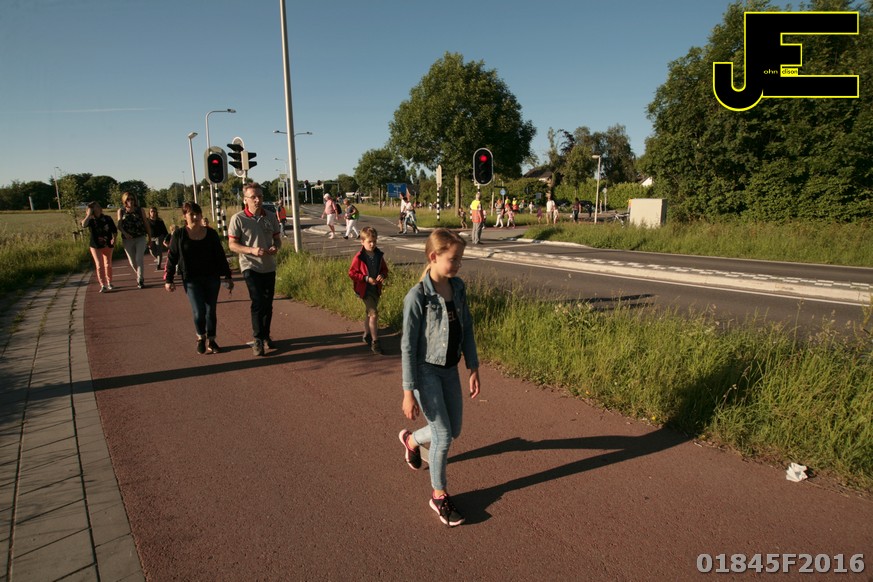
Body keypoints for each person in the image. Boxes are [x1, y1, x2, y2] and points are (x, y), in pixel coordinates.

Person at [398, 228, 481, 527]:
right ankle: (439, 495)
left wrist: (473, 367)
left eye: (460, 259)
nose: (458, 264)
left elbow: (467, 327)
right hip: (426, 371)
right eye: (453, 259)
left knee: (453, 430)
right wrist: (408, 392)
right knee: (443, 435)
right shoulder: (417, 296)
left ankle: (411, 440)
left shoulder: (457, 288)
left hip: (450, 370)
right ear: (434, 257)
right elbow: (408, 346)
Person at [164, 202, 234, 355]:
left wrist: (228, 276)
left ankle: (212, 340)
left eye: (198, 214)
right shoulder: (179, 235)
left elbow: (220, 256)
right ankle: (200, 337)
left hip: (211, 277)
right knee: (199, 311)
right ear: (185, 216)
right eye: (191, 214)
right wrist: (169, 279)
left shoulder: (211, 234)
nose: (195, 217)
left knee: (211, 310)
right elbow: (172, 257)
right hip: (191, 279)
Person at [228, 182, 282, 356]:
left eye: (260, 196)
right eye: (253, 197)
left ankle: (266, 335)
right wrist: (251, 250)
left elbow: (277, 240)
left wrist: (275, 247)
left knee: (268, 303)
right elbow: (232, 245)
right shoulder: (238, 218)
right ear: (245, 200)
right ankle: (257, 339)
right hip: (250, 265)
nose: (257, 200)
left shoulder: (271, 216)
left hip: (268, 266)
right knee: (258, 301)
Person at [348, 227, 389, 355]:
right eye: (369, 241)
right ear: (362, 241)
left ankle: (366, 334)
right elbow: (352, 273)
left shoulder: (378, 255)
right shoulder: (359, 257)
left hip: (376, 289)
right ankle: (375, 342)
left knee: (369, 313)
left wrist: (382, 275)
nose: (372, 244)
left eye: (374, 241)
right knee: (374, 314)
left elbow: (384, 269)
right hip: (365, 290)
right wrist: (366, 278)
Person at [117, 191, 151, 288]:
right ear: (124, 201)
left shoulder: (140, 210)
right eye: (128, 199)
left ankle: (140, 279)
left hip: (140, 237)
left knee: (139, 258)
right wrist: (125, 233)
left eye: (132, 199)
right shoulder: (121, 211)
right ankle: (139, 274)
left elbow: (146, 223)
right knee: (132, 262)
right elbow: (119, 225)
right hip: (127, 239)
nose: (130, 201)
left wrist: (150, 237)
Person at [81, 201, 117, 293]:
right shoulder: (91, 220)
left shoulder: (107, 218)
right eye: (93, 207)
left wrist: (114, 238)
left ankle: (109, 282)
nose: (96, 208)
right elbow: (83, 225)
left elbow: (114, 230)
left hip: (107, 243)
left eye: (97, 206)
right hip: (95, 245)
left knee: (108, 264)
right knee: (99, 265)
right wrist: (88, 215)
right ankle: (102, 285)